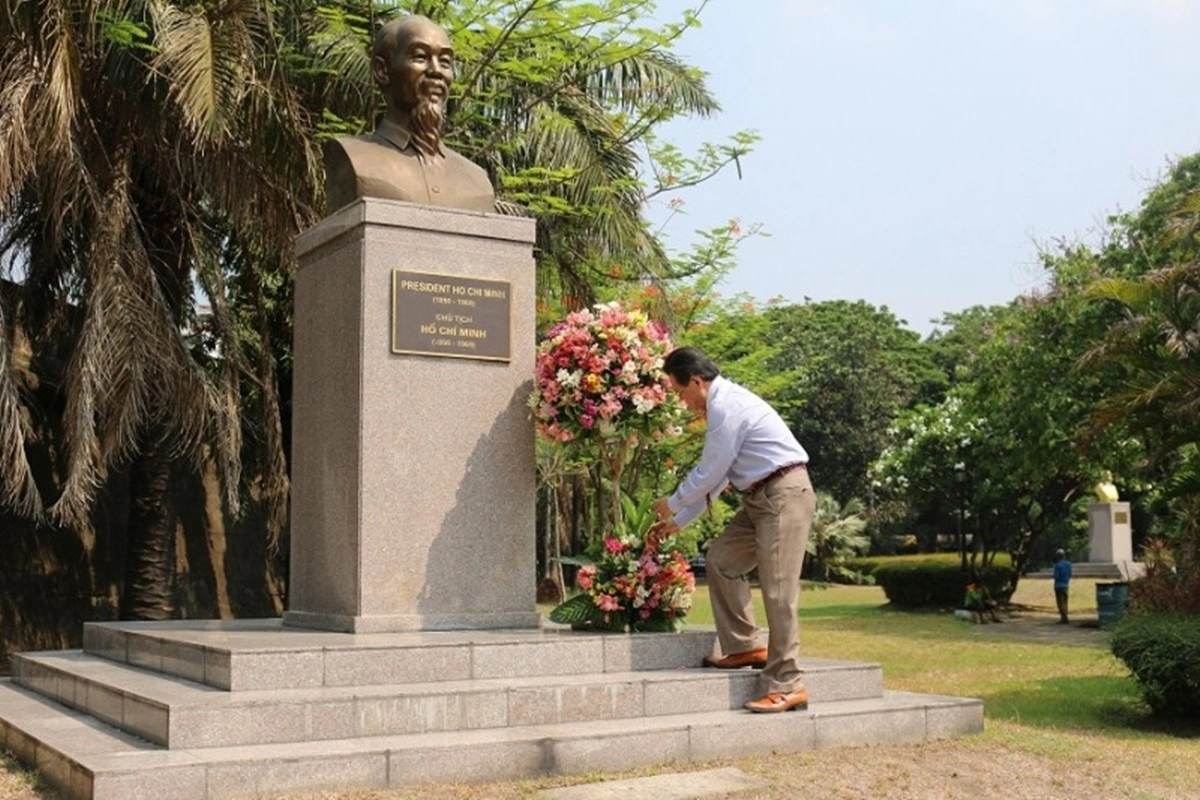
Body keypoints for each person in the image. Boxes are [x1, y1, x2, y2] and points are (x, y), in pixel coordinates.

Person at [649, 346, 815, 714]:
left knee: (778, 591)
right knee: (722, 560)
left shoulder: (728, 407)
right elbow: (720, 477)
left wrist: (673, 503)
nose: (683, 403)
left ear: (696, 381)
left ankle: (788, 684)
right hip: (760, 498)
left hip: (784, 493)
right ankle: (744, 647)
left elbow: (709, 472)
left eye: (680, 393)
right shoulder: (723, 408)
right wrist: (677, 522)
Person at [323, 16, 496, 213]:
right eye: (421, 57)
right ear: (382, 71)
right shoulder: (353, 156)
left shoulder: (476, 179)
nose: (436, 71)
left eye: (445, 62)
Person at [1053, 548, 1072, 624]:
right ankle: (1065, 616)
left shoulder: (1057, 565)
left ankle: (1064, 618)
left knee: (1060, 602)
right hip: (1066, 585)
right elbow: (1070, 574)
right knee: (1065, 601)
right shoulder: (1068, 564)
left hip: (1058, 585)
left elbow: (1056, 576)